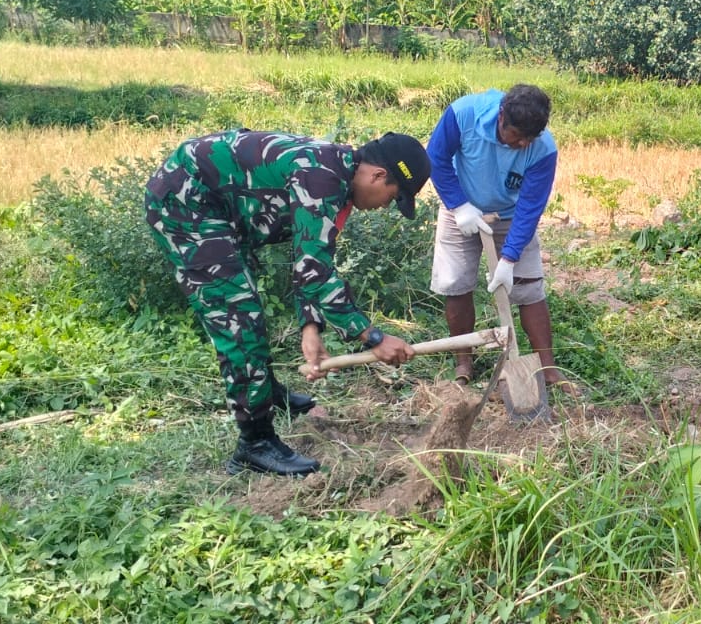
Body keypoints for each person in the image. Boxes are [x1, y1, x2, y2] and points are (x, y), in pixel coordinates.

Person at [145, 129, 427, 476]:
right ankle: (255, 442)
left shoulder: (338, 182)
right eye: (393, 197)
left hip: (219, 208)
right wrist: (373, 338)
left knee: (245, 309)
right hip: (185, 204)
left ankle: (265, 390)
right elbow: (316, 273)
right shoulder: (322, 178)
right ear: (378, 175)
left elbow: (308, 258)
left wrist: (311, 329)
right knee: (239, 320)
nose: (385, 206)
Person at [426, 84, 566, 390]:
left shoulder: (543, 148)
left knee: (529, 288)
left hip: (510, 214)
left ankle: (548, 367)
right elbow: (435, 158)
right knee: (457, 285)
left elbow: (530, 206)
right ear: (501, 116)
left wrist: (510, 257)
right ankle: (464, 361)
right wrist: (459, 205)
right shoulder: (463, 114)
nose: (522, 143)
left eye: (530, 137)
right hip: (459, 207)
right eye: (516, 135)